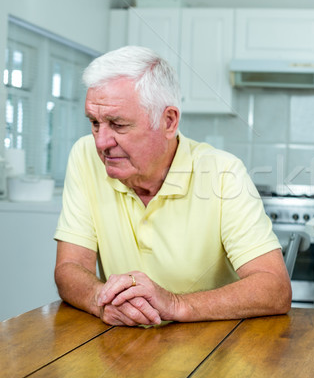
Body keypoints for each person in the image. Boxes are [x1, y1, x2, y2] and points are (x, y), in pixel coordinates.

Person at [54, 46, 291, 326]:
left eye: (118, 124)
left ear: (169, 121)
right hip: (124, 345)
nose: (101, 142)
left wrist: (176, 304)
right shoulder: (84, 156)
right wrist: (99, 299)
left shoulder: (223, 172)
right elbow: (70, 267)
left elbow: (275, 288)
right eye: (94, 123)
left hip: (212, 350)